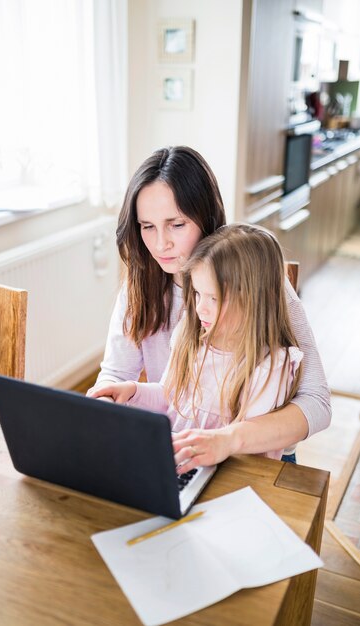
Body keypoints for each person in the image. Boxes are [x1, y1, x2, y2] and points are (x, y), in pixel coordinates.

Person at [87, 146, 331, 465]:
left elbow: (317, 404)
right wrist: (110, 398)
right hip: (183, 451)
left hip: (252, 459)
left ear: (206, 217)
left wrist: (229, 439)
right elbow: (118, 376)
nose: (161, 244)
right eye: (147, 226)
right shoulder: (140, 286)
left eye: (176, 224)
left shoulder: (258, 285)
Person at [90, 224, 304, 463]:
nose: (200, 307)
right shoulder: (189, 334)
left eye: (214, 298)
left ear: (255, 300)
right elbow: (169, 397)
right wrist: (133, 391)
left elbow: (258, 453)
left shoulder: (271, 365)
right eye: (197, 294)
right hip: (177, 460)